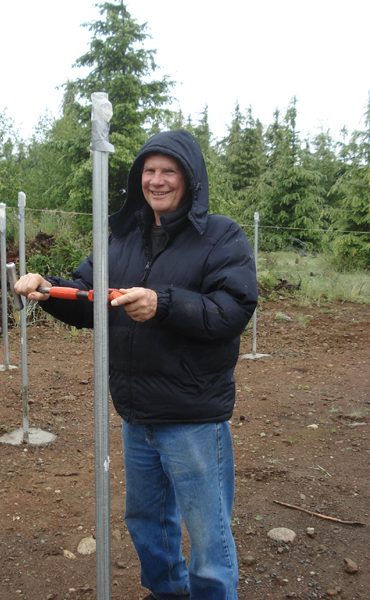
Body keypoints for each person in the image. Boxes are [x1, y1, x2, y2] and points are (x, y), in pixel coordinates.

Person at [15, 129, 258, 600]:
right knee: (147, 522)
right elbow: (90, 300)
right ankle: (168, 592)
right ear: (137, 178)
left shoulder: (221, 236)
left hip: (192, 416)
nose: (158, 180)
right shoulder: (121, 235)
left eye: (169, 171)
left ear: (190, 179)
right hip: (136, 412)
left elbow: (233, 310)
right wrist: (49, 290)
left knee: (207, 533)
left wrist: (163, 304)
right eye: (149, 170)